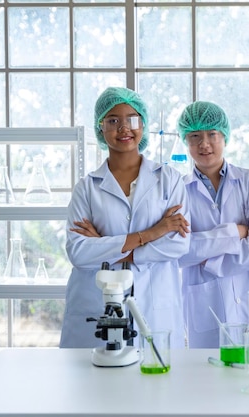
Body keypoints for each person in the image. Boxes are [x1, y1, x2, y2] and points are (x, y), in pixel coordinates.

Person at [61, 86, 191, 349]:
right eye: (113, 121)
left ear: (143, 124)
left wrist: (105, 245)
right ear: (100, 128)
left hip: (153, 305)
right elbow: (78, 252)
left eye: (132, 119)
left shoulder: (168, 180)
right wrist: (150, 234)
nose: (124, 128)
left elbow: (178, 244)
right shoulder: (87, 188)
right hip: (96, 304)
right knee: (93, 387)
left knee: (156, 384)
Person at [176, 101, 249, 348]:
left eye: (212, 134)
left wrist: (210, 260)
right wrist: (234, 233)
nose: (204, 143)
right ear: (186, 141)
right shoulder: (178, 191)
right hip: (205, 306)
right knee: (206, 379)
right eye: (195, 136)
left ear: (225, 137)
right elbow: (179, 251)